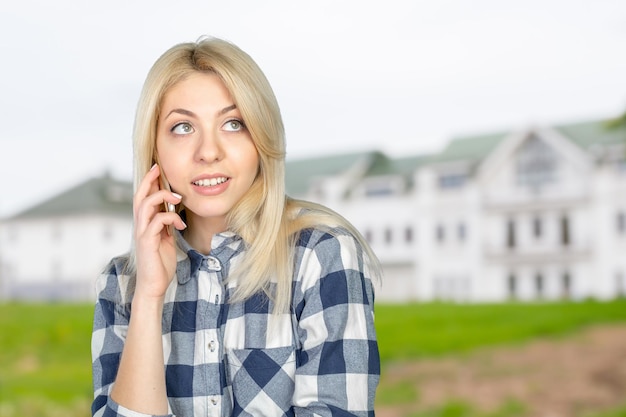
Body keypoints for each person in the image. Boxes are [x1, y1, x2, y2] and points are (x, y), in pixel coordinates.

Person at [91, 36, 381, 417]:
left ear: (262, 137)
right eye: (182, 128)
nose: (208, 151)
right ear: (154, 149)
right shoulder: (122, 284)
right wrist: (148, 297)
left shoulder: (322, 256)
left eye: (233, 123)